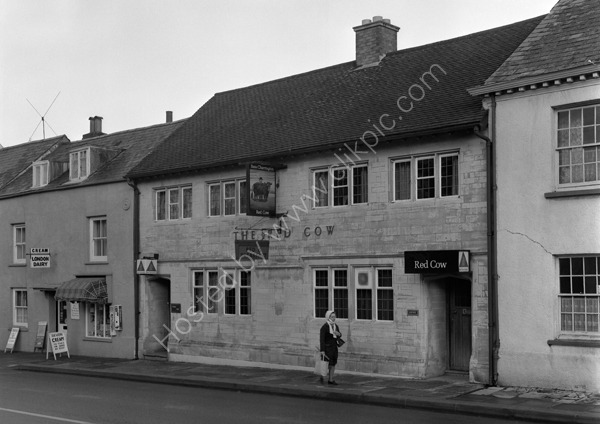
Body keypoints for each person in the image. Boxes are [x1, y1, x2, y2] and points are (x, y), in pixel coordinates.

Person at [320, 310, 342, 385]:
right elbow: (322, 339)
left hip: (334, 347)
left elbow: (339, 335)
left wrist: (338, 334)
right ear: (328, 317)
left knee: (333, 363)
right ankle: (322, 376)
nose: (334, 318)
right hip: (327, 348)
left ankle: (331, 379)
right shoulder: (325, 327)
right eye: (332, 317)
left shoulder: (335, 326)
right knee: (325, 363)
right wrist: (322, 350)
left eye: (334, 317)